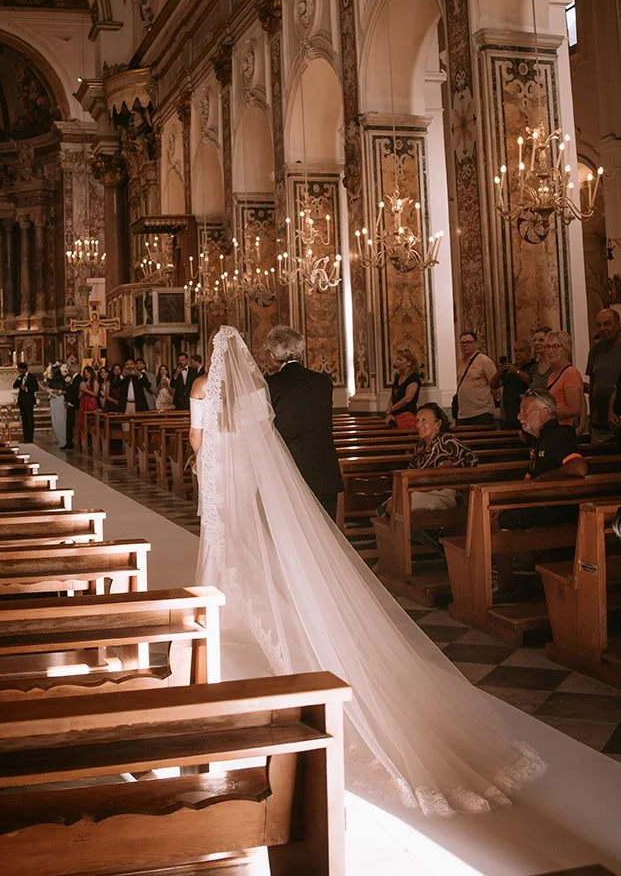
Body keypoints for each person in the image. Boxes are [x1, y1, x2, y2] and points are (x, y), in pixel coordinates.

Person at [188, 325, 545, 817]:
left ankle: (235, 643)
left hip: (239, 482)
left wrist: (213, 466)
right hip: (307, 472)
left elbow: (200, 441)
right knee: (284, 558)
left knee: (238, 559)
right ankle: (284, 613)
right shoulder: (289, 386)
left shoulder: (219, 389)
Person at [494, 390, 588, 598]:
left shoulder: (559, 436)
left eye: (525, 410)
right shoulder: (541, 440)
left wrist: (543, 479)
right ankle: (527, 574)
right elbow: (529, 478)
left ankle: (506, 586)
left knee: (497, 522)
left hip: (558, 508)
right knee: (496, 511)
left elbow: (578, 468)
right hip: (543, 503)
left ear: (545, 411)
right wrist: (505, 499)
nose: (519, 416)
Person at [263, 324, 343, 521]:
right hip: (323, 470)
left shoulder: (270, 385)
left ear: (273, 355)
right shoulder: (323, 381)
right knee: (326, 534)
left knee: (294, 534)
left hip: (290, 471)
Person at [585, 307, 621, 444]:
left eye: (607, 324)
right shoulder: (595, 350)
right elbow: (593, 383)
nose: (602, 328)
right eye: (599, 325)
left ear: (618, 324)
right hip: (599, 424)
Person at [545, 329, 586, 436]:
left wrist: (545, 413)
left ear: (566, 350)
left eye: (555, 347)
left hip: (564, 431)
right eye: (548, 347)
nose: (550, 351)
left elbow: (574, 409)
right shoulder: (551, 376)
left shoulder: (570, 373)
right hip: (553, 430)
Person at [454, 330, 496, 426]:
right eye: (462, 343)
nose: (465, 345)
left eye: (468, 342)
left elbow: (495, 385)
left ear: (475, 344)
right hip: (463, 414)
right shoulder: (460, 362)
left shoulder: (484, 360)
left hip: (481, 413)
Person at [490, 339, 535, 429]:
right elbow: (494, 385)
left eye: (521, 351)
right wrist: (498, 373)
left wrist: (517, 371)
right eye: (515, 351)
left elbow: (533, 382)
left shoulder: (534, 366)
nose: (518, 354)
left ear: (529, 352)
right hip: (509, 415)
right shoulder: (510, 369)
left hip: (527, 415)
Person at [383, 349, 421, 430]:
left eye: (400, 359)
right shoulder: (398, 377)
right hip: (395, 415)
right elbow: (393, 395)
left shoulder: (413, 378)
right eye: (397, 359)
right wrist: (388, 412)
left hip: (407, 415)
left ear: (409, 362)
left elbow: (408, 398)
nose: (397, 362)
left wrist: (391, 409)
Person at [13, 362, 39, 443]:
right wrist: (18, 379)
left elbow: (36, 387)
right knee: (24, 420)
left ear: (24, 369)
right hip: (22, 401)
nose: (19, 371)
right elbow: (14, 386)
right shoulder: (20, 377)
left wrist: (26, 389)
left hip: (29, 401)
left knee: (29, 419)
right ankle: (25, 437)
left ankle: (30, 438)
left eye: (20, 369)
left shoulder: (32, 377)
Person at [43, 363, 68, 447]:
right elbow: (48, 388)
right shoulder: (53, 380)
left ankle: (62, 439)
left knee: (60, 419)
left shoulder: (60, 380)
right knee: (54, 419)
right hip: (53, 400)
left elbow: (64, 390)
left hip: (58, 400)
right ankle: (58, 437)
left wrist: (58, 391)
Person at [76, 365, 99, 438]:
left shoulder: (94, 381)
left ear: (91, 372)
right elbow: (79, 396)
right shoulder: (83, 382)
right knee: (83, 422)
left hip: (91, 403)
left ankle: (92, 439)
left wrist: (86, 390)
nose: (86, 373)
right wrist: (81, 391)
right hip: (83, 403)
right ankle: (84, 440)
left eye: (87, 372)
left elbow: (95, 394)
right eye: (85, 372)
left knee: (91, 422)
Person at [529, 325, 553, 391]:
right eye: (534, 340)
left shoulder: (556, 366)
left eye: (541, 340)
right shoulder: (534, 369)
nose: (536, 343)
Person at [64, 359, 81, 449]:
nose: (69, 368)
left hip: (73, 405)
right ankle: (69, 442)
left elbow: (75, 392)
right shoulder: (74, 379)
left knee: (71, 424)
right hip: (71, 404)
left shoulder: (78, 379)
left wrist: (70, 402)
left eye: (71, 366)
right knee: (69, 424)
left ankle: (70, 442)